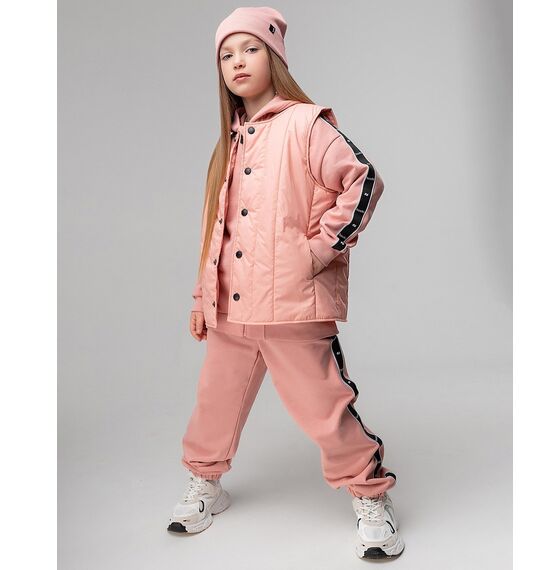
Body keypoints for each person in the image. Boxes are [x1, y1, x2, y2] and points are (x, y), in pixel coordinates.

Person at [167, 6, 405, 560]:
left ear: (274, 57)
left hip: (293, 306)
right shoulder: (230, 142)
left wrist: (319, 249)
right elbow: (217, 231)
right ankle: (205, 481)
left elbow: (363, 180)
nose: (237, 62)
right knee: (214, 405)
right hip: (233, 310)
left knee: (325, 409)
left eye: (250, 49)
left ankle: (370, 494)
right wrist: (202, 298)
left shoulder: (306, 124)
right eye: (226, 55)